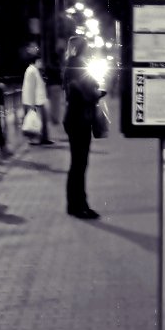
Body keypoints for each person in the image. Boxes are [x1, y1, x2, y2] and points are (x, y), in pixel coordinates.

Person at [62, 35, 104, 220]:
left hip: (74, 119)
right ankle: (79, 205)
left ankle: (76, 204)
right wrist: (99, 92)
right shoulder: (77, 65)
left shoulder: (70, 64)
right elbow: (87, 93)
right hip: (79, 120)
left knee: (77, 164)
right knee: (79, 164)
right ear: (82, 49)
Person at [21, 52, 53, 146]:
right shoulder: (31, 71)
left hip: (39, 100)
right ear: (36, 61)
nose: (41, 63)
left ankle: (43, 139)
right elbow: (30, 88)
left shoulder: (35, 70)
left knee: (41, 121)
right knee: (36, 121)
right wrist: (31, 104)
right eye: (40, 62)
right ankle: (36, 140)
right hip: (35, 101)